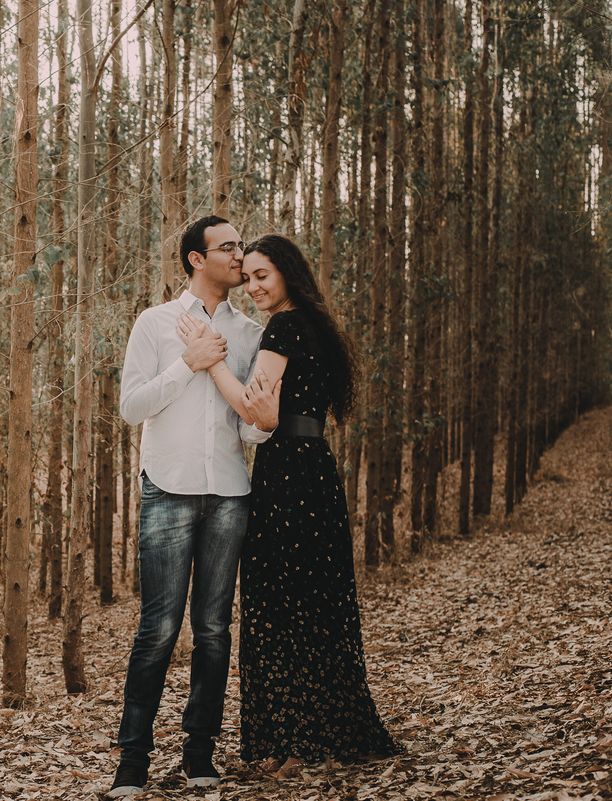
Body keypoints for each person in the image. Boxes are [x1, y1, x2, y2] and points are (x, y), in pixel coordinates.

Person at [176, 233, 401, 778]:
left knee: (280, 604)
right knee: (314, 602)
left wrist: (208, 360)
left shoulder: (285, 325)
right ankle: (318, 735)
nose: (252, 286)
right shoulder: (316, 323)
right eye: (246, 276)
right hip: (313, 470)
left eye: (262, 276)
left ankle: (292, 745)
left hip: (288, 476)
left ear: (287, 273)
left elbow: (258, 414)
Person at [109, 216, 279, 797]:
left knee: (213, 628)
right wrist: (190, 360)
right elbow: (132, 407)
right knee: (158, 627)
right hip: (168, 486)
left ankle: (199, 754)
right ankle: (132, 761)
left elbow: (251, 425)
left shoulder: (253, 333)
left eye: (240, 246)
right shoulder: (155, 325)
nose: (239, 256)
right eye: (227, 248)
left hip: (230, 492)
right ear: (194, 260)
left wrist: (260, 422)